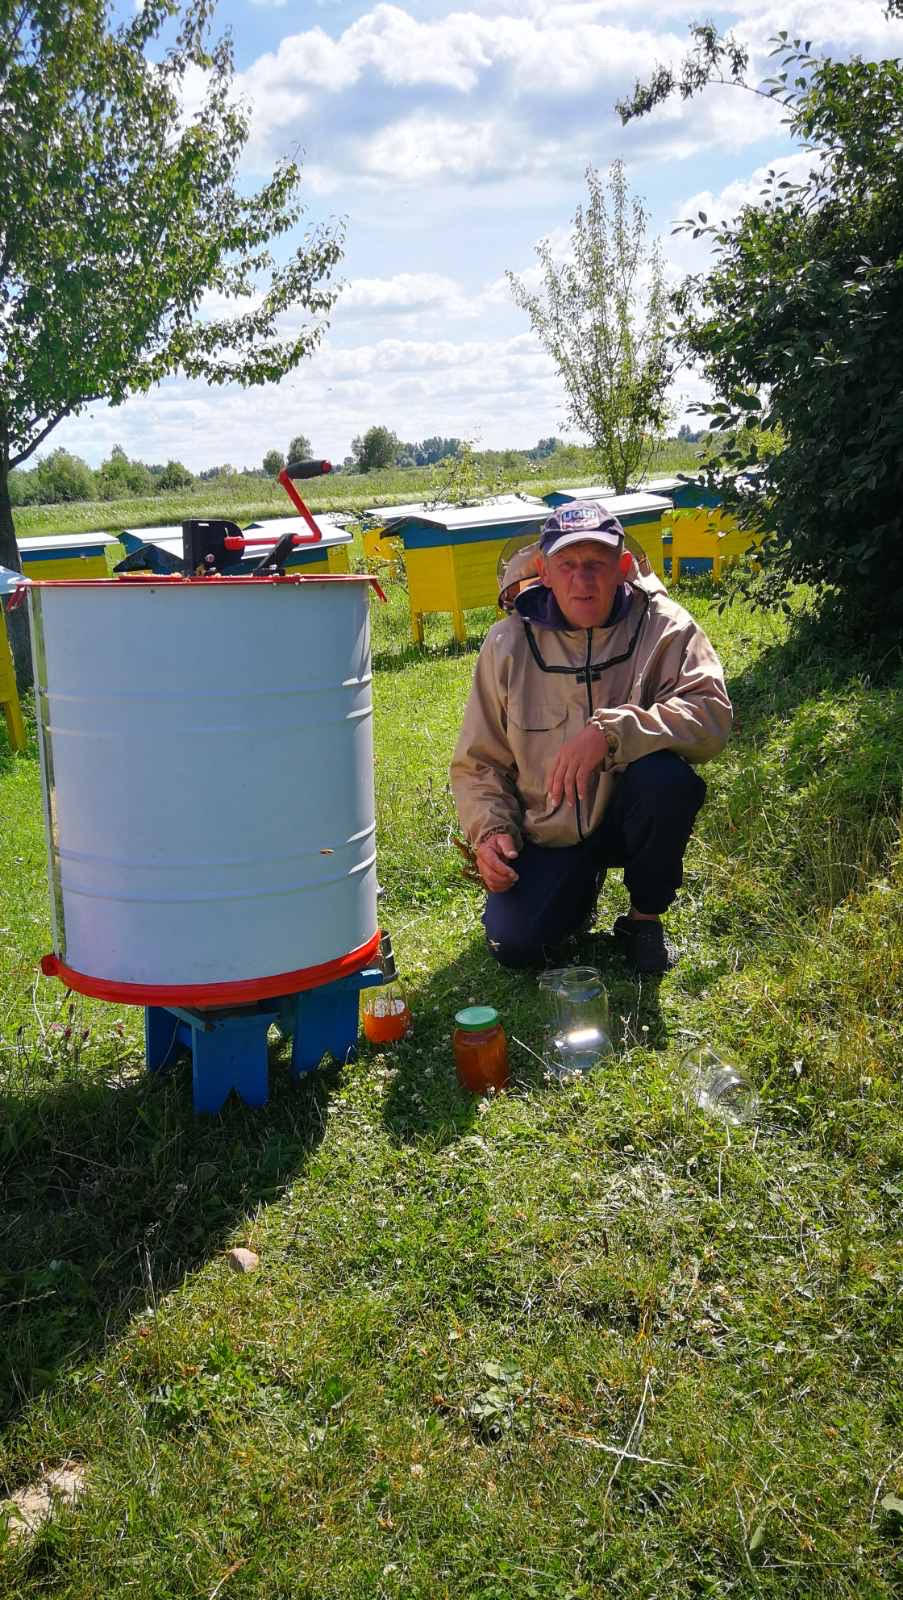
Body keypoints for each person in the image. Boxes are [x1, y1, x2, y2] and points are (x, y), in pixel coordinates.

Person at [449, 501, 733, 974]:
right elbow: (479, 761)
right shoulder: (506, 644)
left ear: (623, 567)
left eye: (597, 564)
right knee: (516, 946)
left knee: (667, 780)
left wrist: (612, 732)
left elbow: (711, 717)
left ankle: (643, 919)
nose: (583, 580)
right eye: (568, 565)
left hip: (627, 814)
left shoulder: (666, 626)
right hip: (548, 830)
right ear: (544, 571)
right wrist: (491, 831)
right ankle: (575, 892)